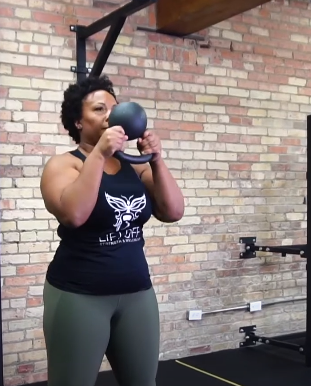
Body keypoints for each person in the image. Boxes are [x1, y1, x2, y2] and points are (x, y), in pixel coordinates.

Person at [39, 74, 185, 386]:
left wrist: (156, 159)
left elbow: (173, 211)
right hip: (79, 294)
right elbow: (74, 214)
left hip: (136, 293)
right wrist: (100, 154)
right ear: (78, 121)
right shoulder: (64, 165)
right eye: (99, 109)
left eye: (114, 108)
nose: (111, 115)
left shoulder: (137, 166)